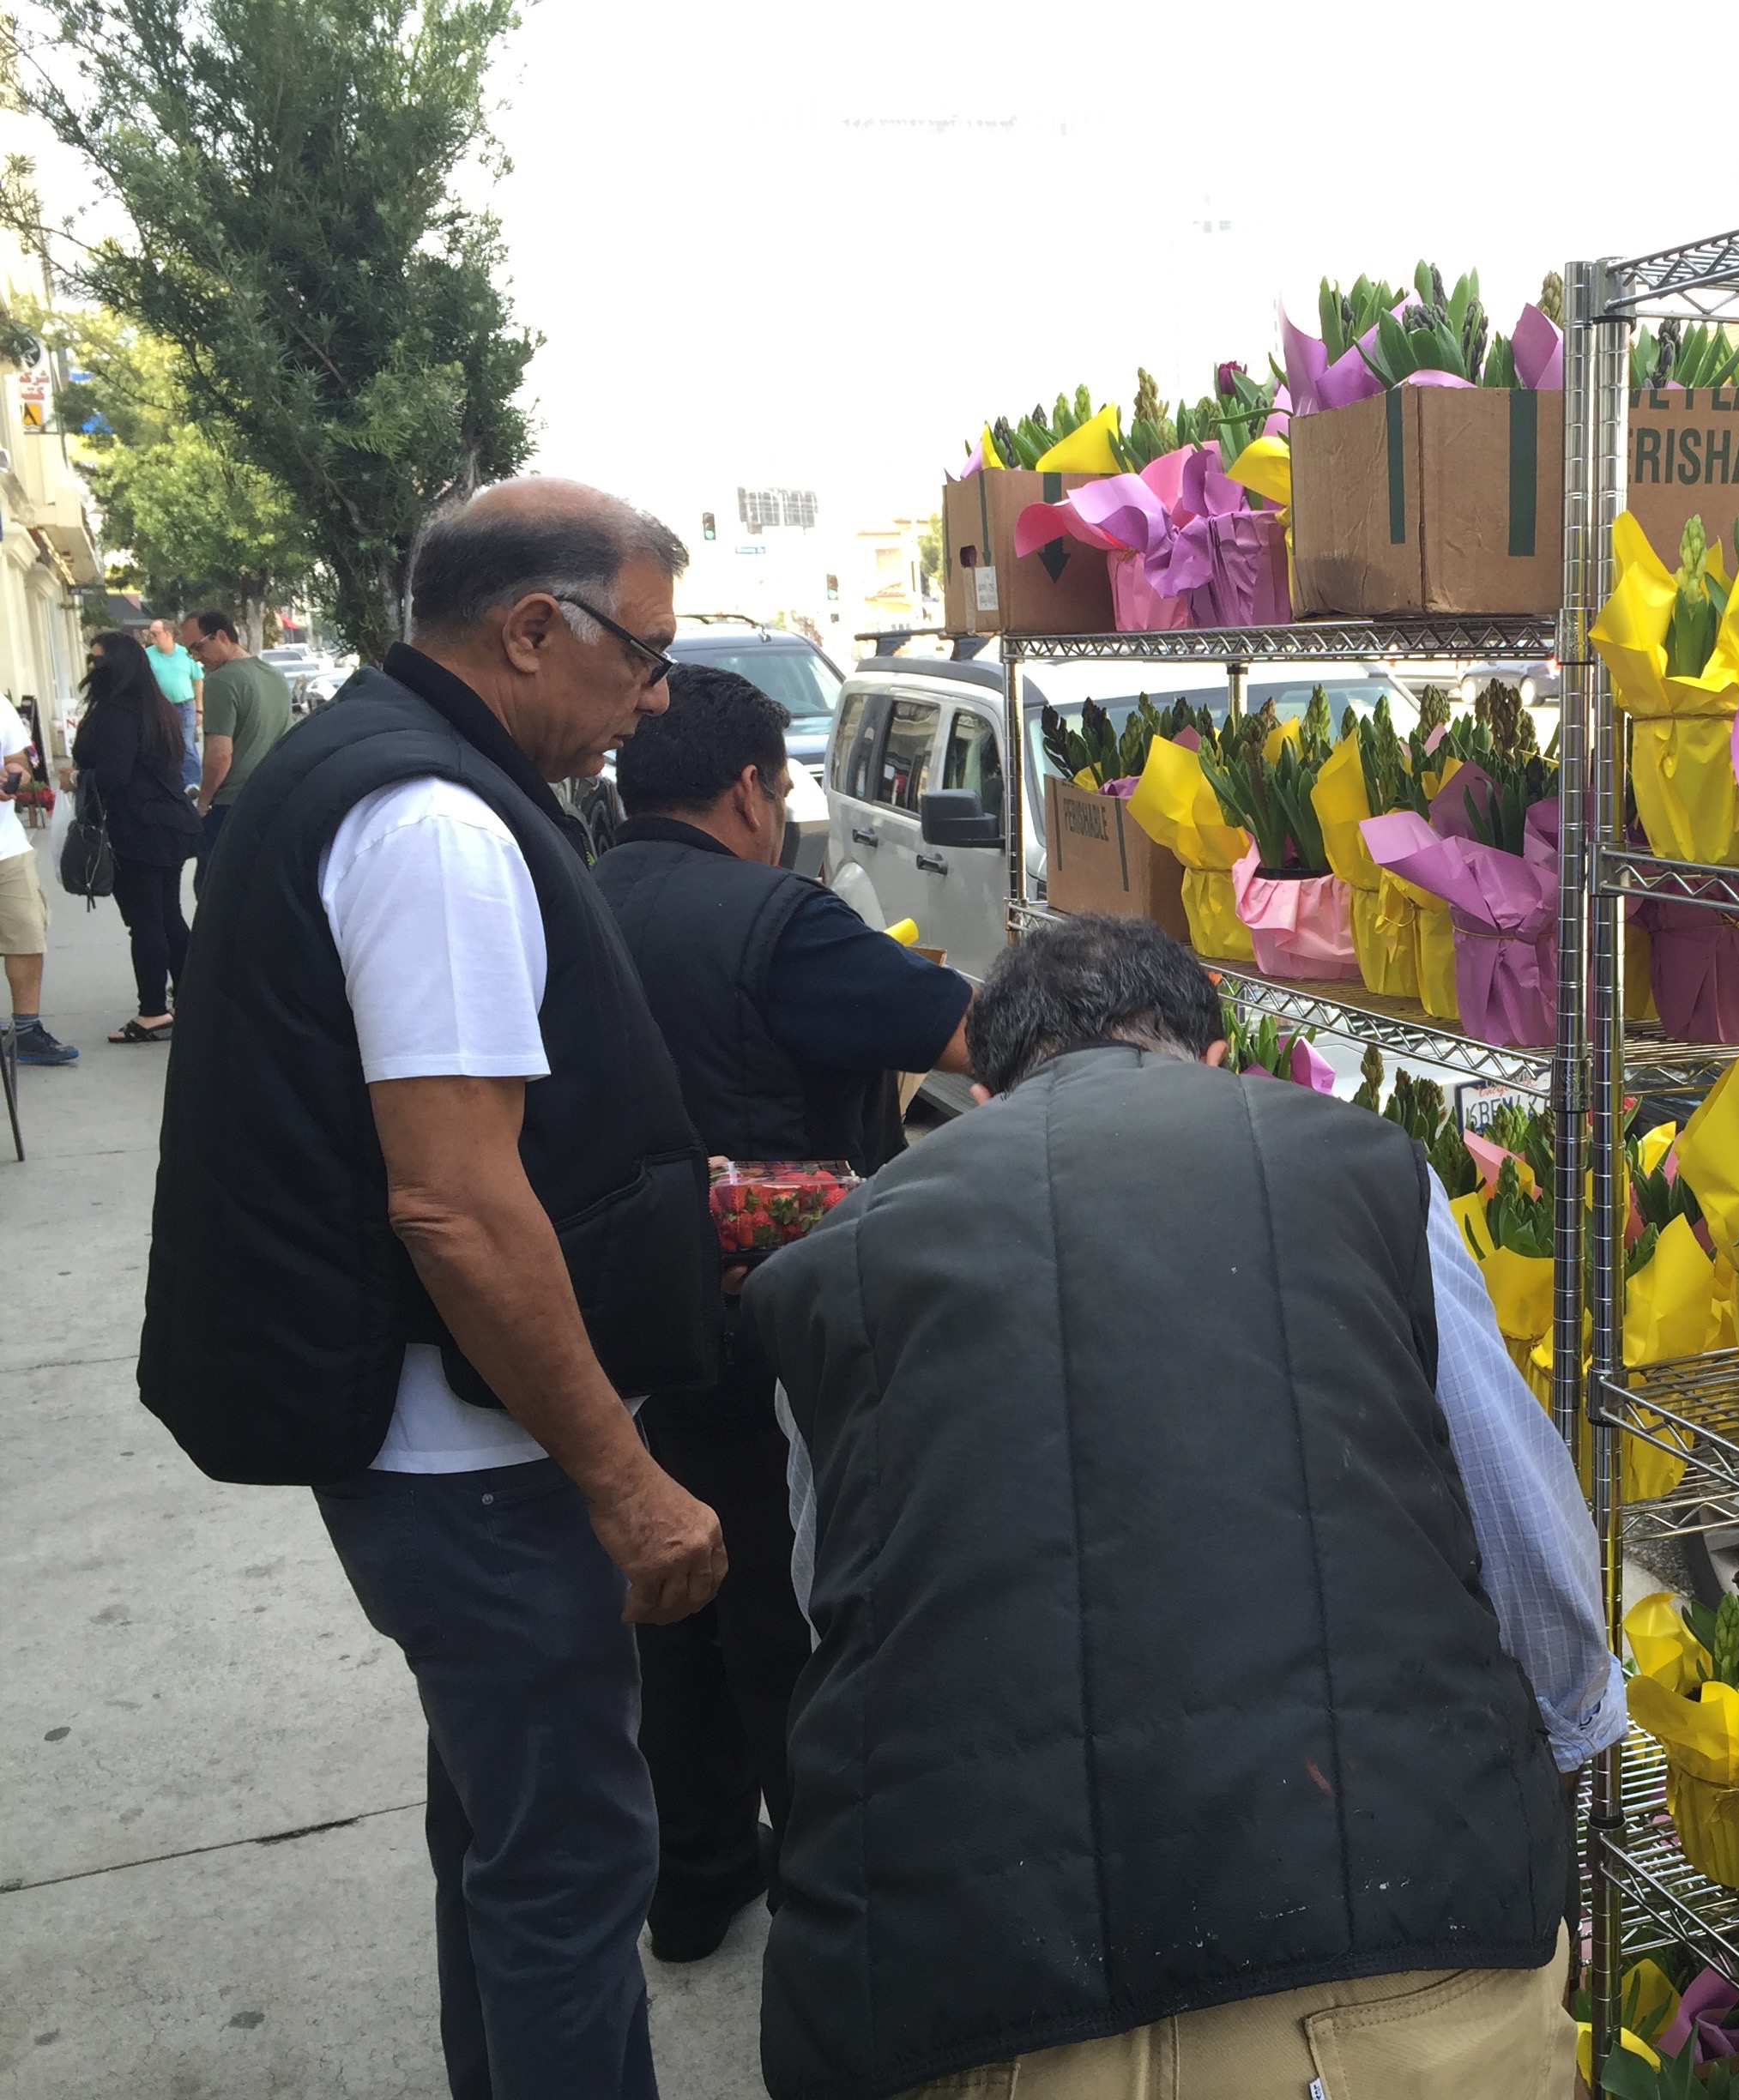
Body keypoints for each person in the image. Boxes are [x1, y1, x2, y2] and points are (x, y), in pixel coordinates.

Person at [748, 913, 1617, 2100]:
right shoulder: (1356, 1166)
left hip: (969, 2008)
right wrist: (1548, 1759)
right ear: (1219, 1065)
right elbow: (1527, 1530)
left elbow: (832, 1608)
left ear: (990, 1100)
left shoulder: (837, 1261)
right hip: (1403, 1957)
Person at [138, 480, 731, 2100]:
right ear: (532, 629)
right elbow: (456, 1202)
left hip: (426, 1455)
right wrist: (622, 1481)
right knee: (568, 1874)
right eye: (642, 653)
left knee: (507, 1842)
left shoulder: (346, 764)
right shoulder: (438, 826)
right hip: (477, 1470)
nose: (655, 696)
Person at [589, 662, 975, 1963]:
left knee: (674, 1604)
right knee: (795, 1624)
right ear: (753, 789)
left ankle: (695, 1880)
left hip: (618, 1331)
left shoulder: (572, 900)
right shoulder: (775, 922)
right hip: (775, 1325)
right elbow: (974, 1032)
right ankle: (843, 1916)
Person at [70, 631, 201, 1042]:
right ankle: (192, 999)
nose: (92, 669)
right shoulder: (155, 708)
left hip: (137, 828)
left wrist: (75, 778)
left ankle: (152, 1012)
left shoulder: (115, 714)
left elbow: (112, 775)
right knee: (166, 916)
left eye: (97, 661)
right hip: (167, 822)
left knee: (145, 923)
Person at [184, 608, 291, 888]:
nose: (195, 656)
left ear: (221, 636)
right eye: (189, 652)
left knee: (212, 893)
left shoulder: (220, 681)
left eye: (197, 647)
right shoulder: (274, 676)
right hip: (276, 800)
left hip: (231, 806)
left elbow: (219, 755)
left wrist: (204, 801)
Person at [0, 696, 75, 1065]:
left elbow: (22, 759)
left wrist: (13, 776)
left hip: (6, 846)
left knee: (27, 931)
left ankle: (27, 1030)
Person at [145, 617, 202, 790]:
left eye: (155, 633)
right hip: (159, 708)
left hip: (185, 706)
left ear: (168, 634)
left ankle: (193, 783)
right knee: (163, 744)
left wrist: (199, 708)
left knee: (185, 744)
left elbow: (198, 680)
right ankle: (171, 780)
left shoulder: (185, 654)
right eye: (150, 634)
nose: (151, 637)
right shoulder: (147, 655)